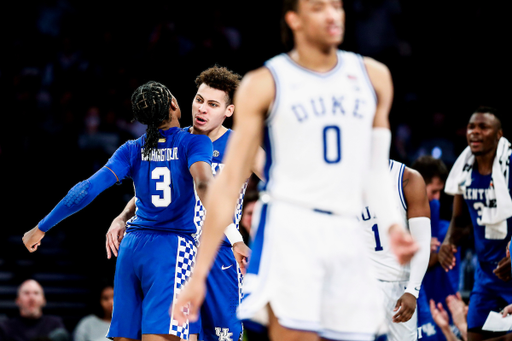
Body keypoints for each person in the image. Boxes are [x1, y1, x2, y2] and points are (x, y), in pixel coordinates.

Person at [172, 1, 419, 340]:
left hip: (348, 228)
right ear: (294, 19)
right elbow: (228, 184)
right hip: (291, 228)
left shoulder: (375, 77)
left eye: (337, 6)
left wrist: (392, 224)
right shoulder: (265, 83)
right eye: (318, 7)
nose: (332, 15)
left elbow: (374, 168)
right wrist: (198, 275)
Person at [22, 81, 214, 341]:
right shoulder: (194, 143)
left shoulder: (132, 149)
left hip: (131, 250)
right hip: (170, 249)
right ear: (174, 105)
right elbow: (202, 183)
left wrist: (40, 227)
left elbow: (86, 189)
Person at [105, 66, 264, 341]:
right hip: (172, 254)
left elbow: (283, 184)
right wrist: (122, 216)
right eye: (199, 100)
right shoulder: (175, 139)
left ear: (229, 111)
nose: (202, 109)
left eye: (213, 104)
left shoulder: (243, 147)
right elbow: (151, 192)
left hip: (219, 256)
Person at [439, 106, 512, 341]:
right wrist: (448, 243)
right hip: (486, 274)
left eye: (484, 127)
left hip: (510, 266)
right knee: (474, 338)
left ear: (498, 134)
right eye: (472, 127)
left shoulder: (510, 166)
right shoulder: (464, 170)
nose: (475, 132)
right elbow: (460, 221)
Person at [360, 159, 431, 341]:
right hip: (361, 282)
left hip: (398, 285)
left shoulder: (408, 178)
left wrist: (412, 290)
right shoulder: (344, 178)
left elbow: (422, 242)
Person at [411, 155, 462, 340]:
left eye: (440, 192)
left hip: (440, 304)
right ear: (417, 185)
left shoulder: (444, 230)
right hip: (408, 302)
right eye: (434, 191)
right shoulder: (395, 222)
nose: (437, 198)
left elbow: (453, 275)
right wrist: (420, 249)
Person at [0, 279, 70, 341]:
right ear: (18, 300)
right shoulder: (5, 328)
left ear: (44, 300)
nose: (31, 298)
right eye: (26, 293)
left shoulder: (55, 325)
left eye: (36, 293)